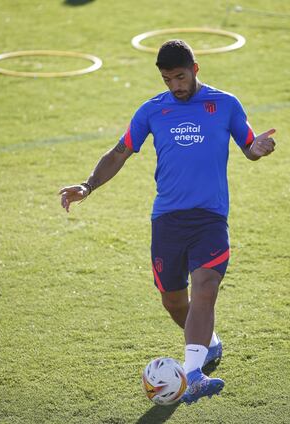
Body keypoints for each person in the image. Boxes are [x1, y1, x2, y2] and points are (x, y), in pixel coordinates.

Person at [59, 40, 276, 404]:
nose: (175, 86)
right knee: (174, 301)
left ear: (195, 68)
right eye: (167, 79)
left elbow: (250, 145)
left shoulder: (225, 104)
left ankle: (193, 374)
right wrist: (88, 185)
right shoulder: (151, 111)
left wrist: (257, 149)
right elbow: (119, 153)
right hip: (167, 220)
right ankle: (209, 343)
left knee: (205, 285)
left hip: (209, 217)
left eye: (180, 76)